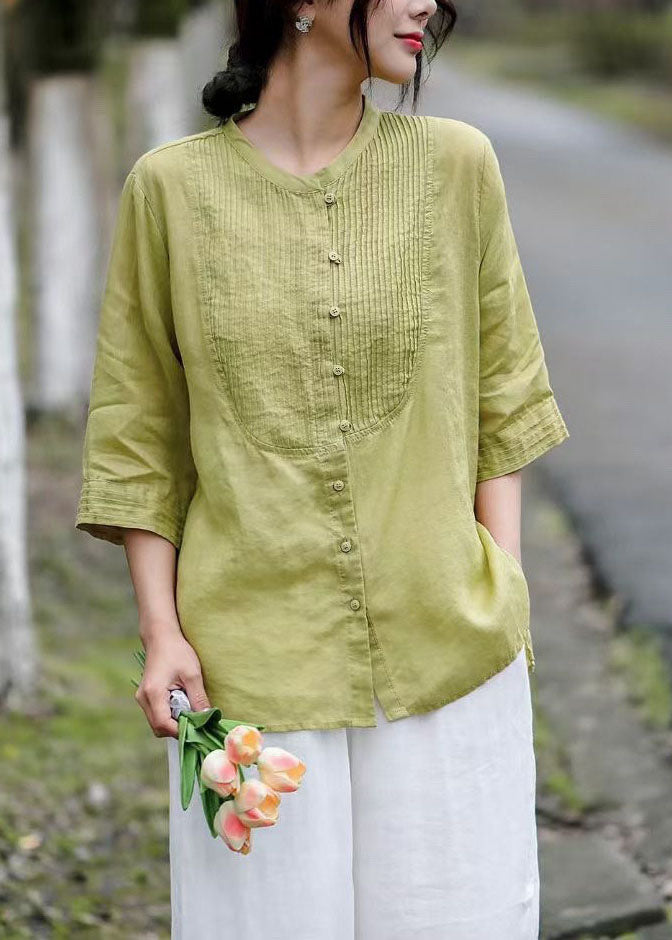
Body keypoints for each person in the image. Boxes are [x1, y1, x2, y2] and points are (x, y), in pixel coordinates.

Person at [75, 1, 571, 937]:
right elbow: (140, 433)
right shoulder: (169, 191)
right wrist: (160, 631)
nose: (428, 1)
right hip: (248, 672)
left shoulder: (457, 165)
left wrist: (503, 588)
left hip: (450, 654)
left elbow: (502, 397)